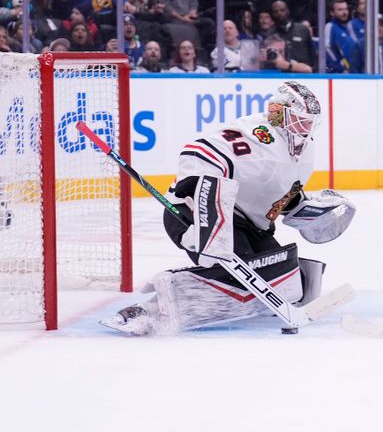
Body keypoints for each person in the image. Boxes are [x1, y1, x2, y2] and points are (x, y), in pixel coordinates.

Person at [100, 81, 356, 335]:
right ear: (278, 112)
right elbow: (197, 154)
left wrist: (310, 210)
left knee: (282, 275)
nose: (306, 129)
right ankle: (147, 310)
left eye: (310, 122)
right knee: (239, 278)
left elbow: (280, 195)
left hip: (248, 224)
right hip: (195, 215)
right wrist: (206, 222)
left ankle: (225, 289)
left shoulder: (305, 150)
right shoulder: (256, 135)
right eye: (300, 120)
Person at [266, 0, 316, 70]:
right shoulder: (269, 33)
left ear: (288, 11)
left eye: (282, 10)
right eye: (275, 11)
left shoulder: (302, 30)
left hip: (303, 74)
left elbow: (312, 55)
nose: (279, 13)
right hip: (280, 75)